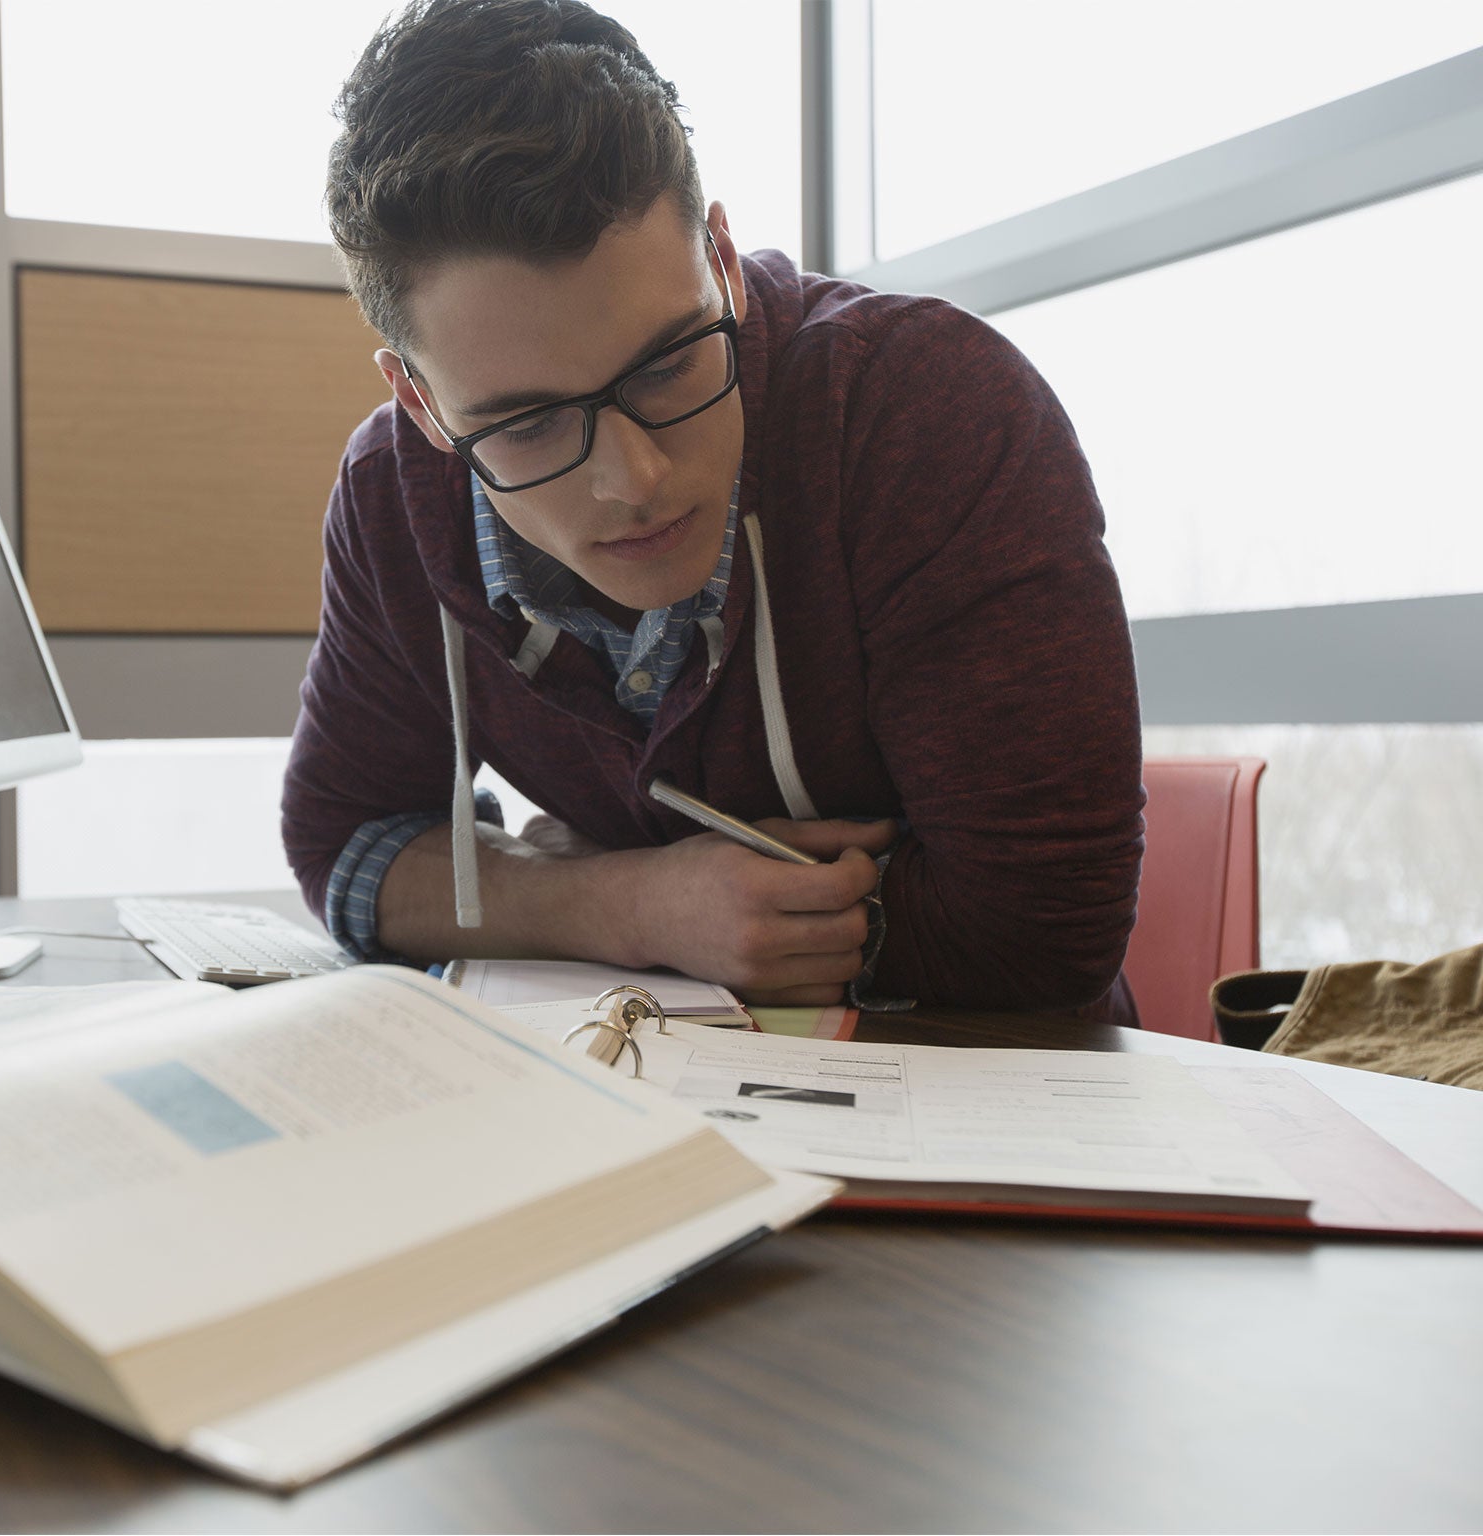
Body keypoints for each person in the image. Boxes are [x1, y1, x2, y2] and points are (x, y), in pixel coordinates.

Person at [283, 0, 1146, 1021]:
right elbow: (344, 845)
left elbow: (1039, 931)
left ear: (723, 263)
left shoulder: (929, 409)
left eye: (666, 364)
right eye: (526, 426)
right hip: (627, 1106)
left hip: (979, 1115)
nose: (632, 479)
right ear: (419, 402)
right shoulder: (392, 495)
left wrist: (528, 891)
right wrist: (624, 905)